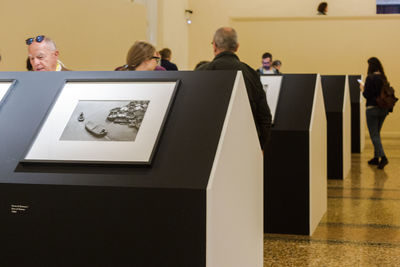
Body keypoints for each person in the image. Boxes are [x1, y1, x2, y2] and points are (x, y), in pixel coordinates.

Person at [196, 27, 272, 151]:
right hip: (245, 145)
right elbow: (264, 116)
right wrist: (260, 146)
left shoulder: (201, 72)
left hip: (208, 146)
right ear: (237, 47)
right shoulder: (251, 73)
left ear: (214, 46)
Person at [361, 57, 389, 169]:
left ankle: (383, 157)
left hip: (372, 109)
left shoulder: (370, 78)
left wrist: (363, 89)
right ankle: (376, 158)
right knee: (376, 133)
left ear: (370, 66)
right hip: (384, 109)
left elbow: (366, 95)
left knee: (374, 135)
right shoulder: (383, 78)